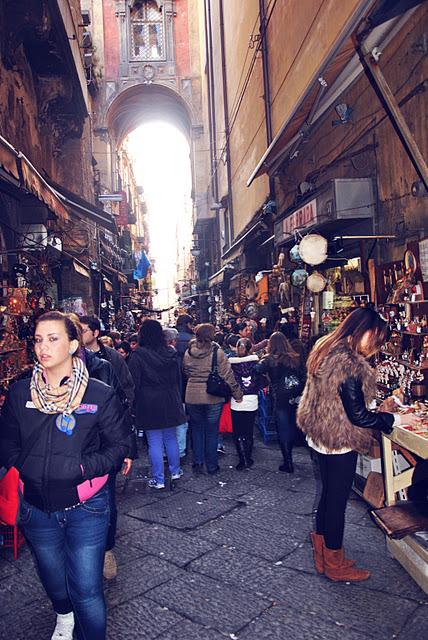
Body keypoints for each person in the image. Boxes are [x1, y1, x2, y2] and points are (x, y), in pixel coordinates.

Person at [0, 311, 131, 640]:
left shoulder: (99, 395)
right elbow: (6, 442)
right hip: (35, 507)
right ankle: (63, 613)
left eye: (53, 338)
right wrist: (25, 467)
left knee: (87, 590)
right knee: (53, 578)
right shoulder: (19, 393)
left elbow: (119, 446)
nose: (43, 346)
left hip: (86, 506)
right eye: (39, 339)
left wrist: (82, 468)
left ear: (74, 344)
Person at [297, 307, 421, 582]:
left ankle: (325, 556)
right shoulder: (349, 363)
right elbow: (359, 416)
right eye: (375, 339)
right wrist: (395, 418)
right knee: (336, 502)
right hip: (340, 439)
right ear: (364, 331)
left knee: (328, 496)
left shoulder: (328, 348)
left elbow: (338, 399)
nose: (375, 347)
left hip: (321, 434)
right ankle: (335, 563)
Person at [79, 315, 135, 579]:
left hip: (101, 446)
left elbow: (120, 405)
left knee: (106, 500)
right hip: (67, 451)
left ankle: (106, 548)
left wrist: (126, 448)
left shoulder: (106, 364)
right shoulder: (42, 377)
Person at [127, 320, 185, 488]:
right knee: (171, 437)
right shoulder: (170, 352)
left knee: (154, 441)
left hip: (148, 401)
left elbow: (134, 382)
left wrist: (133, 404)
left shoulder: (138, 355)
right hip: (169, 398)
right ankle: (175, 471)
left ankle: (158, 479)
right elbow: (177, 378)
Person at [183, 323, 243, 474]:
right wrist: (237, 394)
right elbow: (227, 375)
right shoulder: (217, 352)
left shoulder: (189, 351)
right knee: (212, 431)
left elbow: (185, 370)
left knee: (196, 429)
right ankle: (211, 465)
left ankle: (197, 462)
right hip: (212, 396)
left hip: (192, 395)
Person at [257, 332, 305, 473]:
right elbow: (304, 374)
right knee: (294, 424)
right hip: (297, 396)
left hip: (280, 397)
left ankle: (288, 462)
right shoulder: (295, 357)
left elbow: (257, 369)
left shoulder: (270, 359)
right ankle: (296, 447)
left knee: (283, 429)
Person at [80, 316, 135, 408]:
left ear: (96, 333)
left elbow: (126, 383)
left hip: (110, 410)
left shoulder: (112, 356)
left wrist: (124, 409)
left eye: (83, 331)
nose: (79, 335)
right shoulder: (75, 357)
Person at [229, 338, 263, 470]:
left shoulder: (231, 364)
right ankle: (248, 457)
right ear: (250, 348)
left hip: (236, 399)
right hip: (251, 399)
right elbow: (261, 381)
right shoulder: (257, 363)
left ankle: (242, 459)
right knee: (248, 430)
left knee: (238, 431)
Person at [164, 327, 188, 459]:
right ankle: (179, 451)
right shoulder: (176, 355)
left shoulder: (154, 354)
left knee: (167, 425)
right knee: (180, 424)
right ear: (173, 341)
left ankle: (166, 451)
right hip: (177, 393)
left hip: (163, 396)